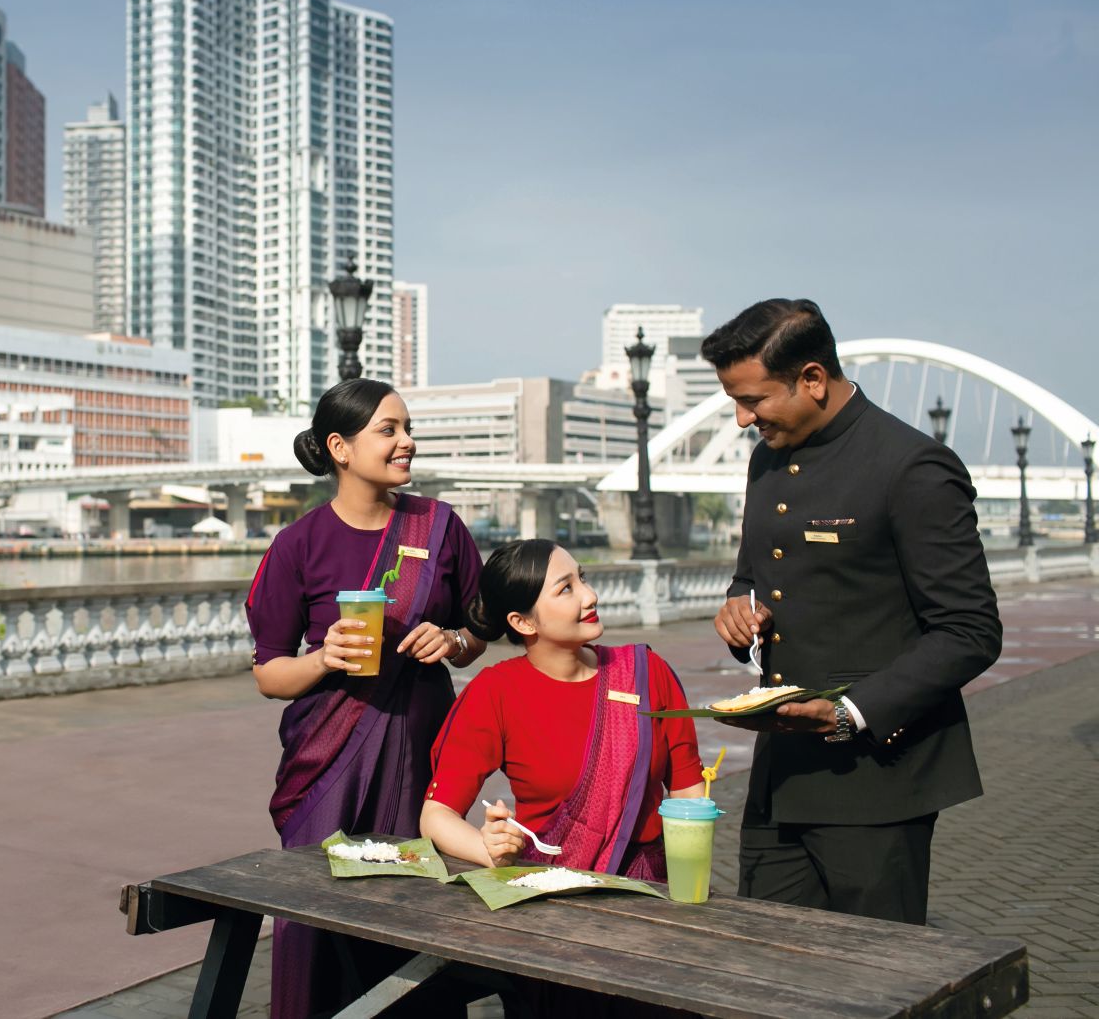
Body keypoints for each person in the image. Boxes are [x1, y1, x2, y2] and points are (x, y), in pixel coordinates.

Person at [701, 298, 1001, 925]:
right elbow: (757, 575)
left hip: (878, 778)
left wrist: (849, 712)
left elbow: (970, 630)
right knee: (767, 962)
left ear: (812, 379)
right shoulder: (768, 456)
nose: (739, 419)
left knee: (870, 982)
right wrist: (740, 610)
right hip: (782, 773)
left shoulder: (911, 467)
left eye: (753, 400)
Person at [246, 377, 486, 1019]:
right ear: (340, 447)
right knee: (318, 923)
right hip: (327, 762)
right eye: (389, 429)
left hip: (421, 756)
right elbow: (269, 673)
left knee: (418, 916)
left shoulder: (439, 527)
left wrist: (453, 640)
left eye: (408, 429)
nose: (407, 442)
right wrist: (324, 658)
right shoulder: (299, 544)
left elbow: (478, 630)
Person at [422, 538, 705, 878]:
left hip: (648, 887)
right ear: (523, 623)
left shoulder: (645, 672)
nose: (590, 596)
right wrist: (488, 848)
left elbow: (689, 792)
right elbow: (437, 816)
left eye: (582, 578)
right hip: (548, 888)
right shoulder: (496, 692)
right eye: (566, 589)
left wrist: (691, 881)